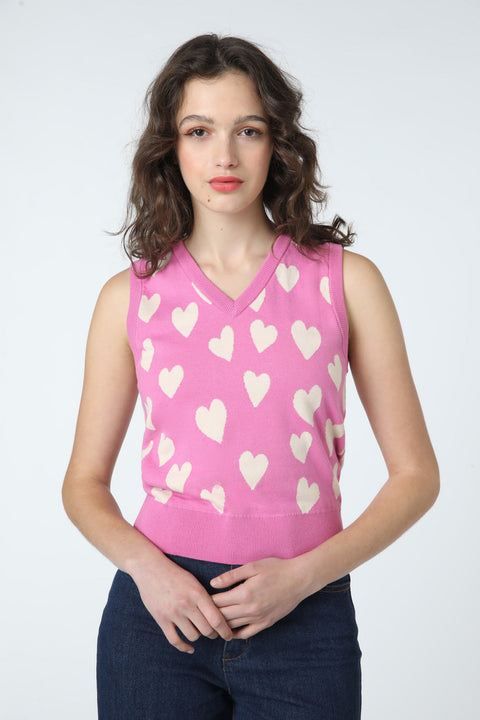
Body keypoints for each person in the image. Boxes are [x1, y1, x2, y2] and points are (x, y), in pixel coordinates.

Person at [62, 34, 439, 720]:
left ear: (277, 143)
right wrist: (150, 572)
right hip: (159, 621)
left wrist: (302, 578)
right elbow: (83, 485)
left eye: (248, 130)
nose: (225, 156)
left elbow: (417, 477)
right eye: (199, 131)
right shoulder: (129, 298)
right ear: (170, 148)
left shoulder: (347, 283)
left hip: (305, 616)